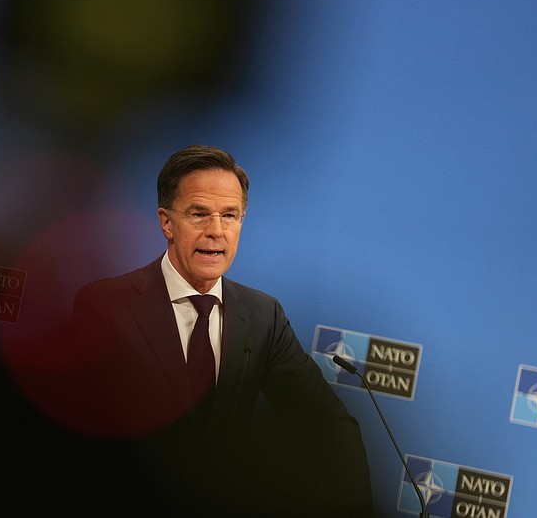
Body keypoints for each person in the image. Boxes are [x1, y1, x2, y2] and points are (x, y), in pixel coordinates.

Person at [61, 145, 374, 517]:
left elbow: (328, 424)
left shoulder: (262, 316)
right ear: (166, 222)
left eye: (230, 215)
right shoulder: (105, 306)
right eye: (199, 214)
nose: (216, 232)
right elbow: (76, 441)